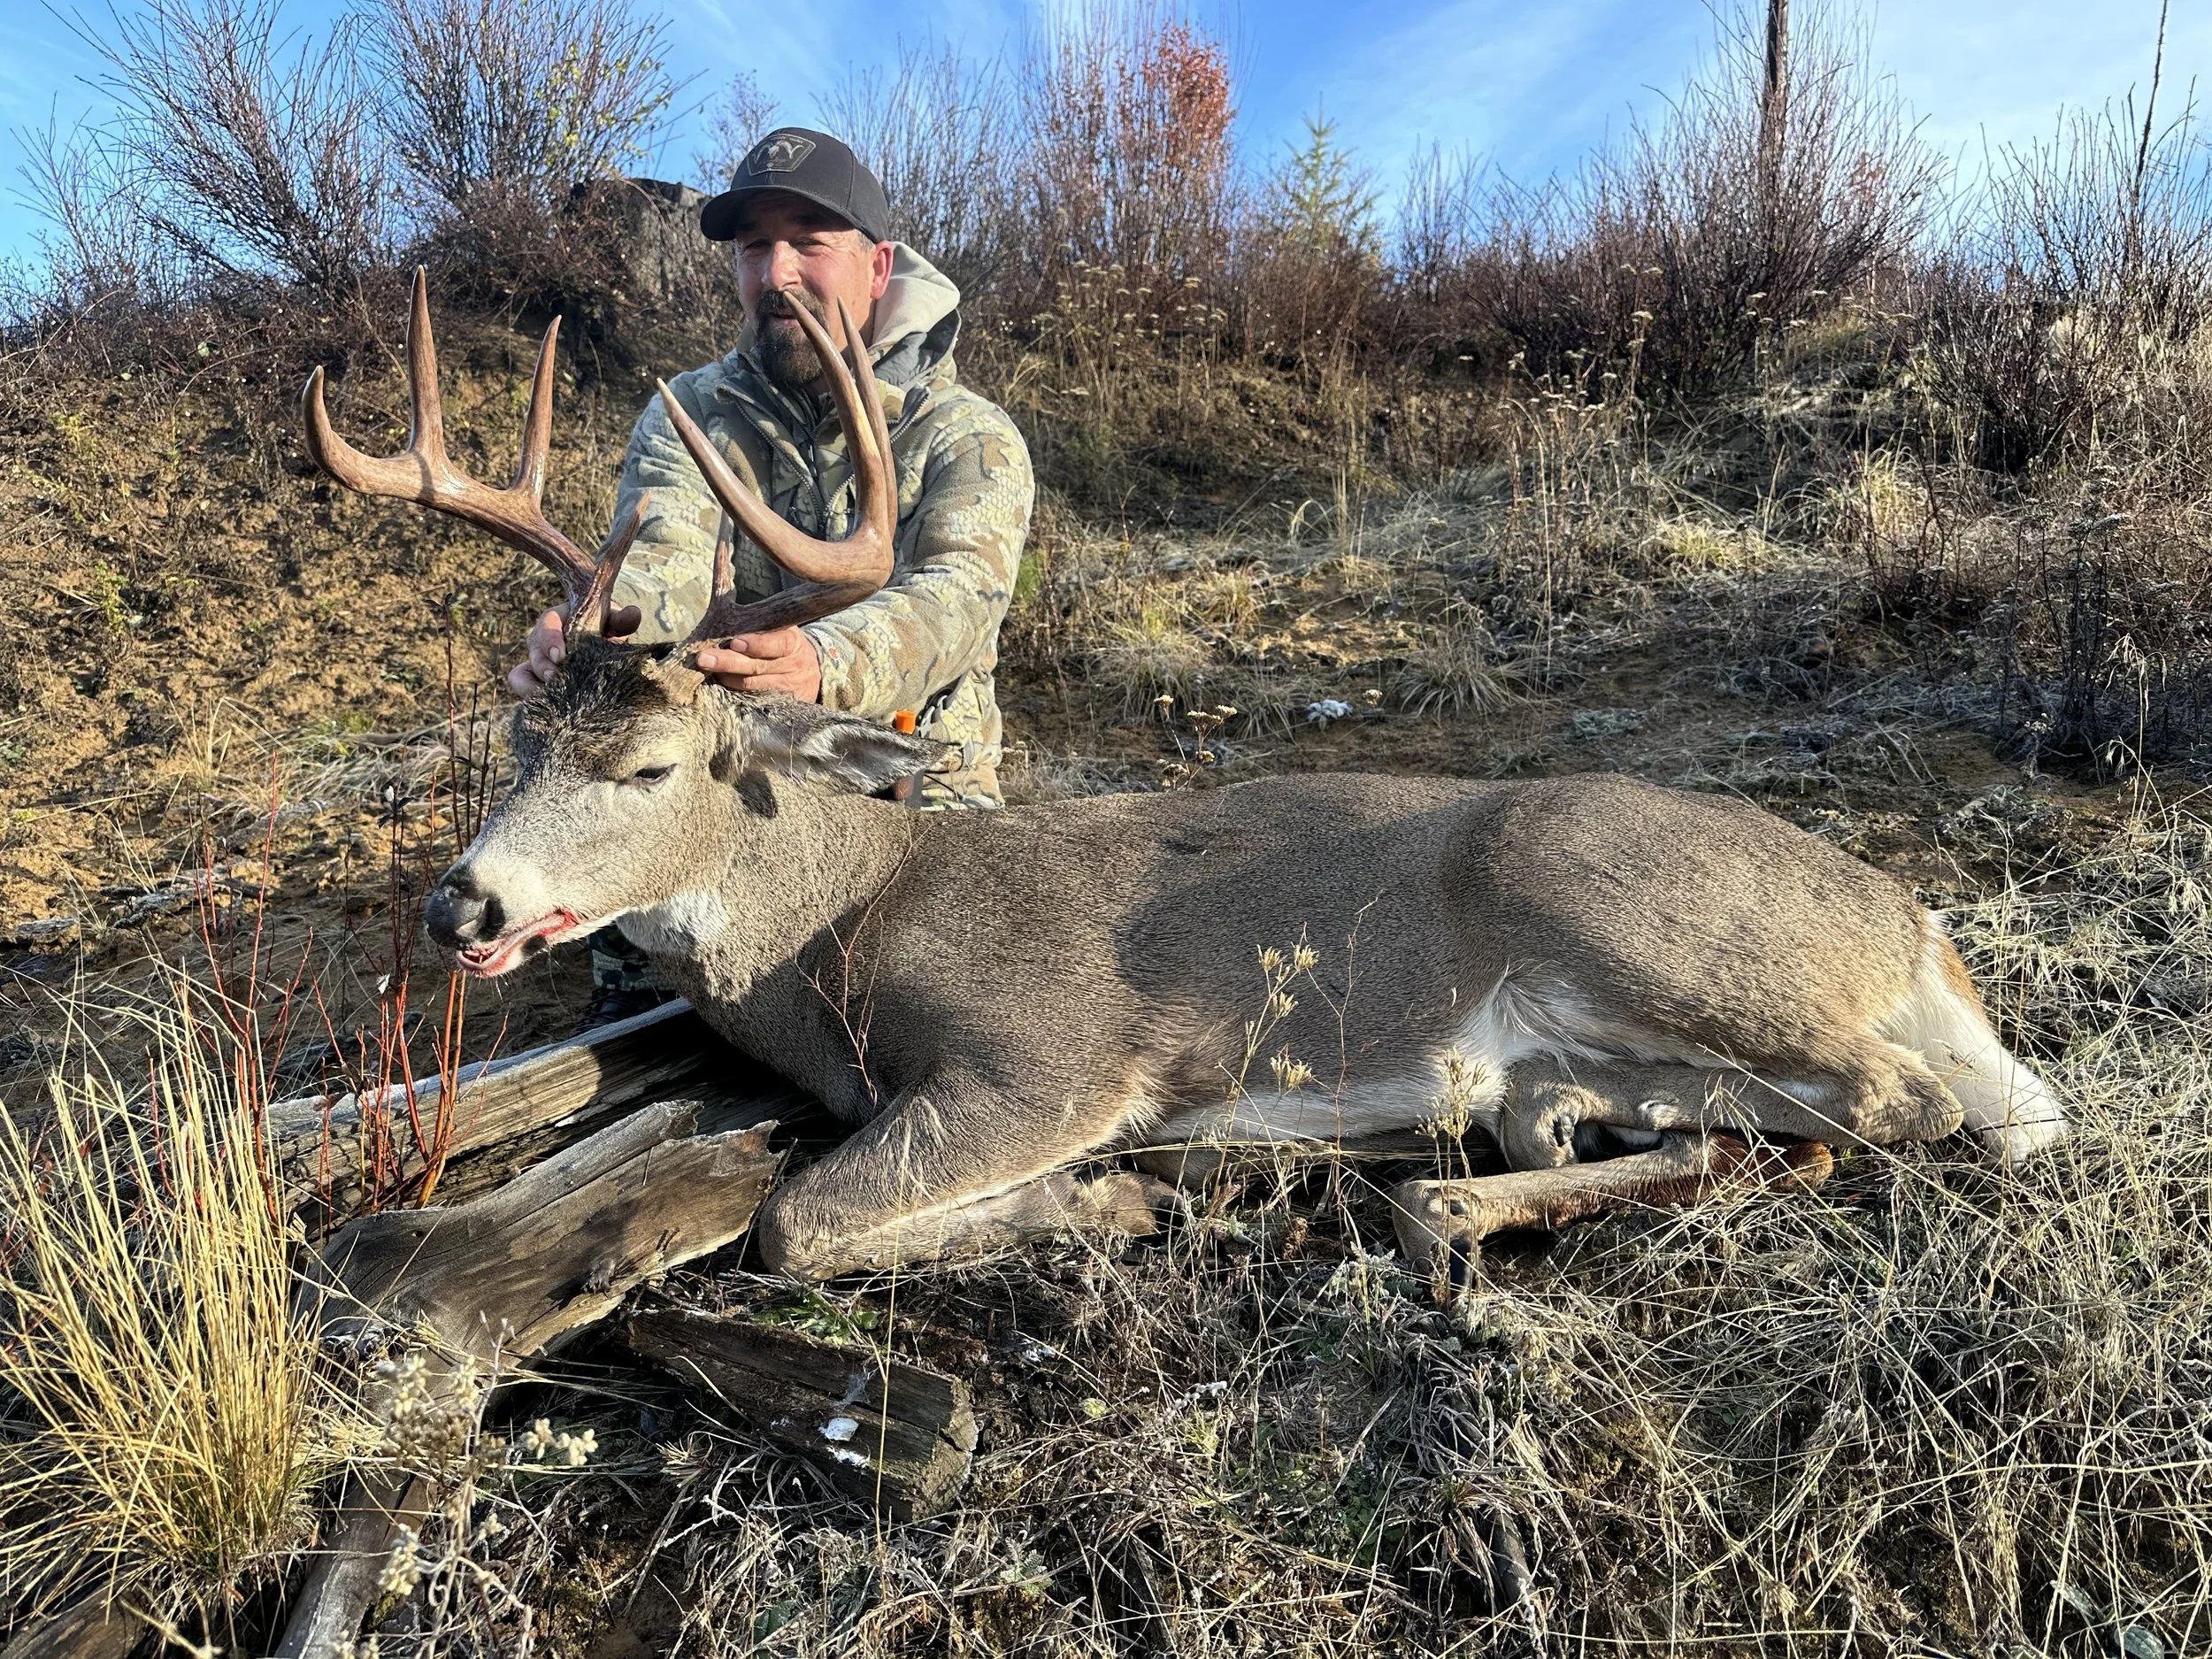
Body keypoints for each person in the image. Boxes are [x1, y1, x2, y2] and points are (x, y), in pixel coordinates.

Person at [507, 127, 1036, 1028]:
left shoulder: (967, 434)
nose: (776, 270)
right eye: (755, 246)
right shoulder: (691, 415)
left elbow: (957, 602)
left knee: (949, 1023)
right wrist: (602, 633)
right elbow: (663, 556)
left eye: (807, 241)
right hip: (743, 767)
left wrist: (822, 665)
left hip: (913, 776)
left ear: (875, 266)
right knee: (656, 1013)